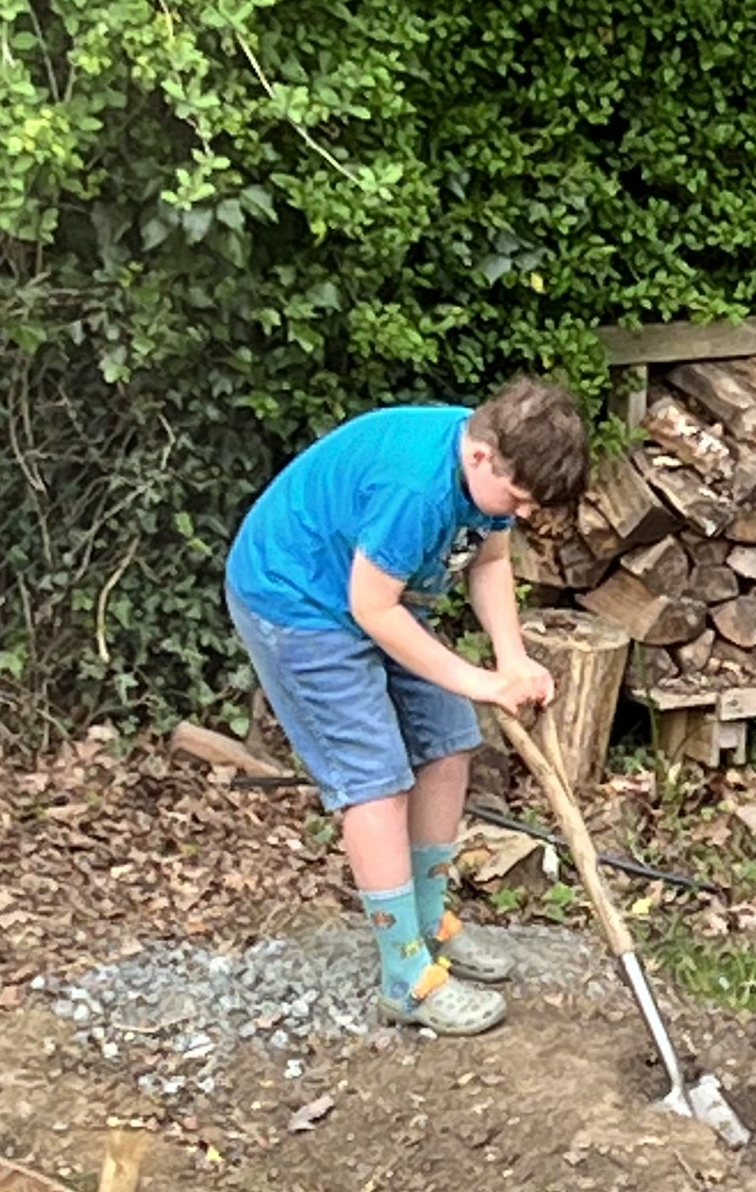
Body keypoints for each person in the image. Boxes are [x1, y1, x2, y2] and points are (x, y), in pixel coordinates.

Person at [224, 376, 588, 1037]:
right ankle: (406, 976)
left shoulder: (494, 460)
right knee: (374, 779)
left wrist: (509, 657)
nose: (526, 514)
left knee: (450, 742)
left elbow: (489, 558)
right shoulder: (415, 489)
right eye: (522, 499)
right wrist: (476, 682)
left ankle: (429, 919)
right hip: (299, 601)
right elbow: (370, 609)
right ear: (481, 457)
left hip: (378, 597)